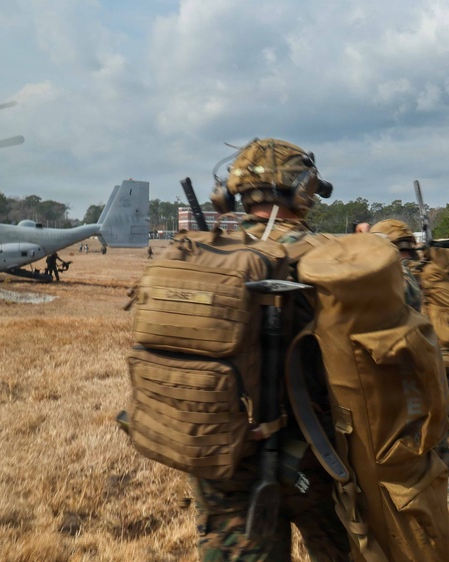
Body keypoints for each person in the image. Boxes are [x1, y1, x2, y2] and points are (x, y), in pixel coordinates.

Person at [190, 138, 353, 562]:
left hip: (222, 460)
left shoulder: (198, 258)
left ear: (234, 193)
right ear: (304, 190)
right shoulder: (333, 259)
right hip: (316, 462)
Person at [369, 219, 449, 561]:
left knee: (428, 466)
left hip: (422, 387)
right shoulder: (434, 270)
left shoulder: (396, 279)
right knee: (439, 458)